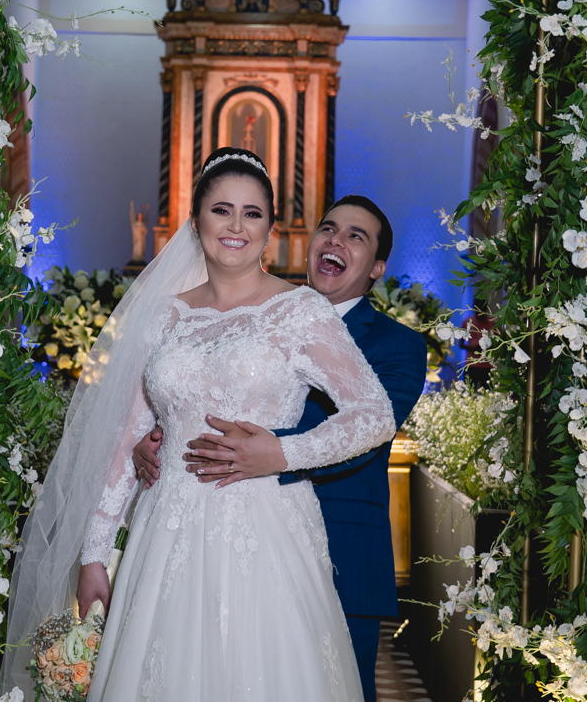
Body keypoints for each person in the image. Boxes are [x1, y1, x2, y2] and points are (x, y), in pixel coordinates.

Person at [3, 149, 396, 702]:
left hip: (265, 530)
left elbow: (374, 414)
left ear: (271, 228)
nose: (236, 226)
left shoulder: (300, 311)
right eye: (221, 210)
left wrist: (283, 454)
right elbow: (125, 439)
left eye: (252, 213)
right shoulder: (165, 314)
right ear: (195, 223)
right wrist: (93, 554)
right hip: (166, 531)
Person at [134, 195, 428, 702]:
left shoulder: (399, 345)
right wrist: (164, 431)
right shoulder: (253, 313)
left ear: (377, 267)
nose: (336, 241)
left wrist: (267, 453)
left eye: (356, 237)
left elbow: (366, 433)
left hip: (343, 548)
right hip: (223, 534)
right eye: (328, 229)